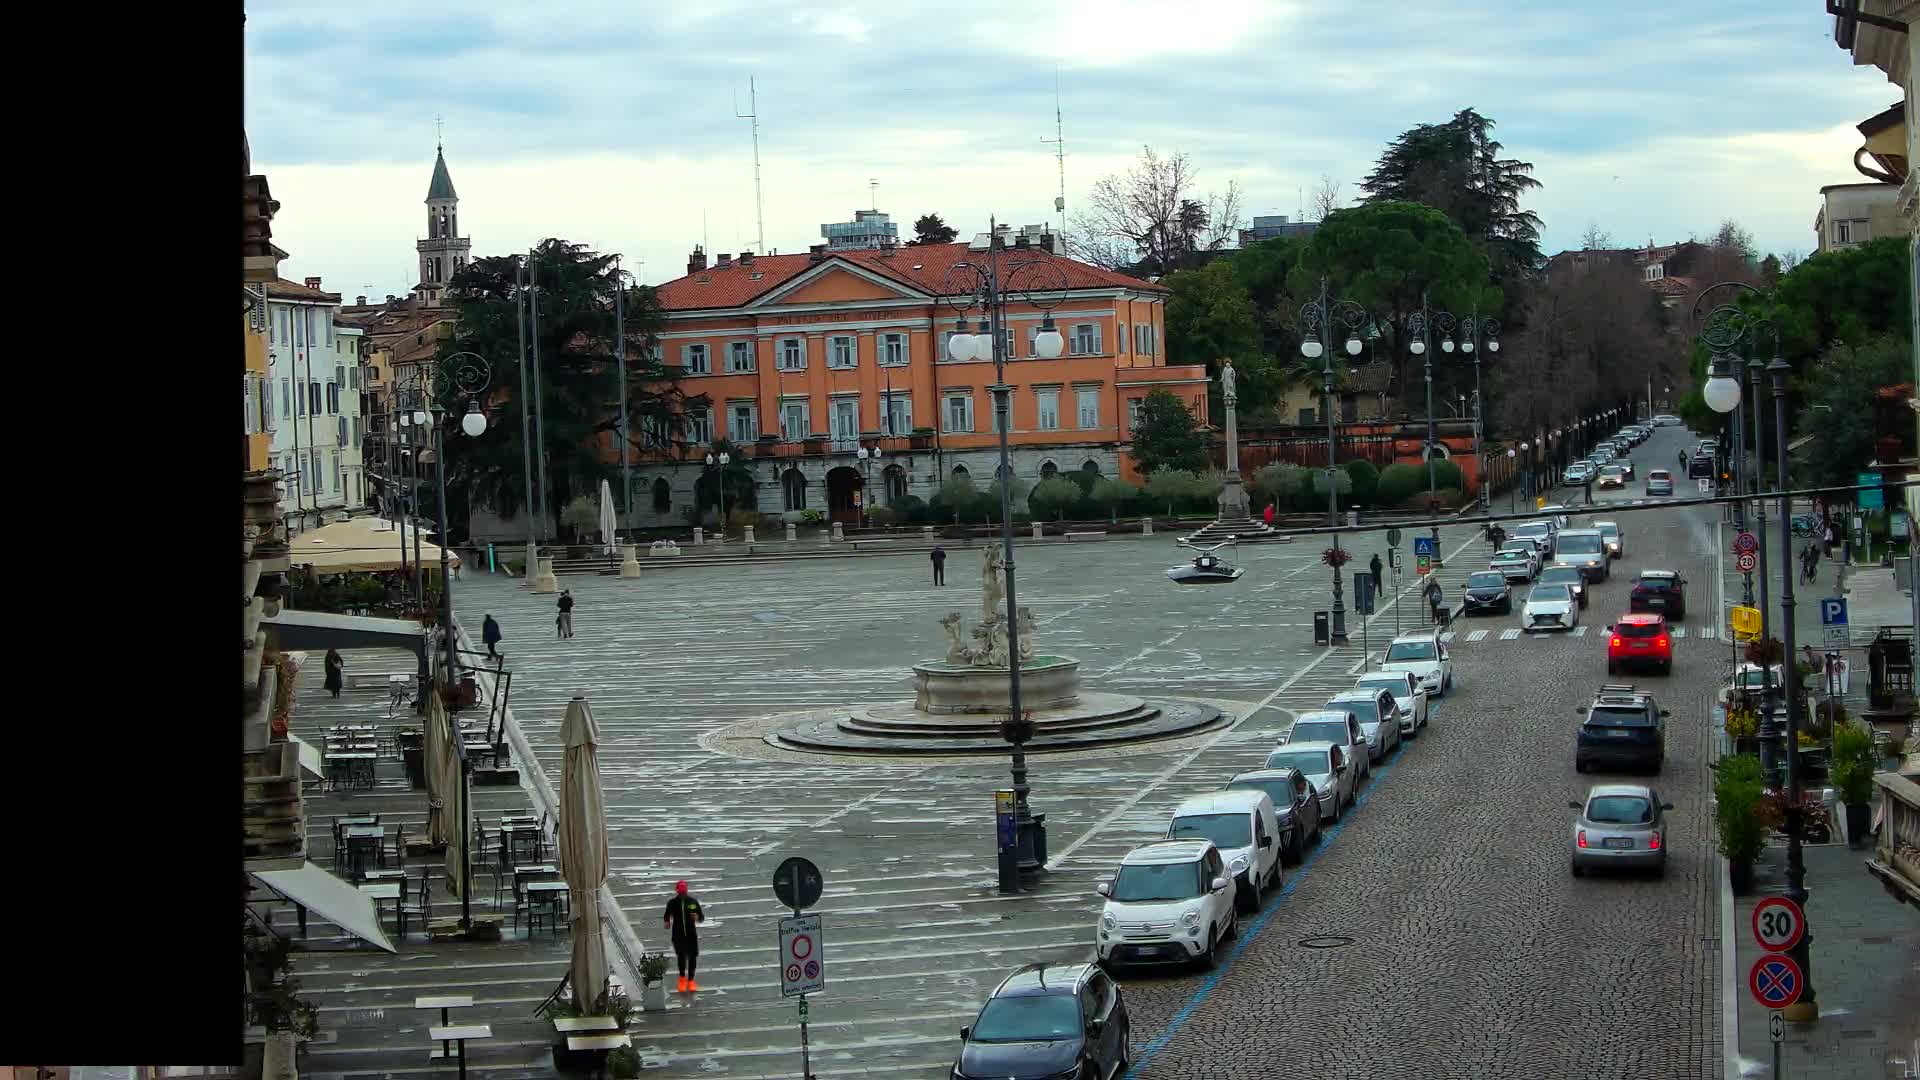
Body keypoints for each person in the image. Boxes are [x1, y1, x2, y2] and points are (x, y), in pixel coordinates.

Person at [662, 880, 706, 992]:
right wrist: (667, 922)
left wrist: (696, 917)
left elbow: (701, 917)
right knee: (681, 957)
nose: (682, 891)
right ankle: (682, 979)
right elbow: (666, 915)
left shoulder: (692, 902)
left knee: (692, 957)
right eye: (680, 889)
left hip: (691, 934)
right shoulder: (672, 903)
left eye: (683, 889)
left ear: (686, 890)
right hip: (678, 934)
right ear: (677, 890)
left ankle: (691, 980)